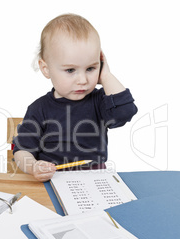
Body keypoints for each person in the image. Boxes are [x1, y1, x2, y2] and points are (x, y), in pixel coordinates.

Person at [13, 13, 137, 182]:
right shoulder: (39, 108)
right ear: (46, 68)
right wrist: (33, 166)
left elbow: (125, 112)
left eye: (91, 68)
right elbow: (22, 150)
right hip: (52, 181)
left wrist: (106, 76)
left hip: (94, 181)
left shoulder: (100, 100)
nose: (83, 80)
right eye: (71, 70)